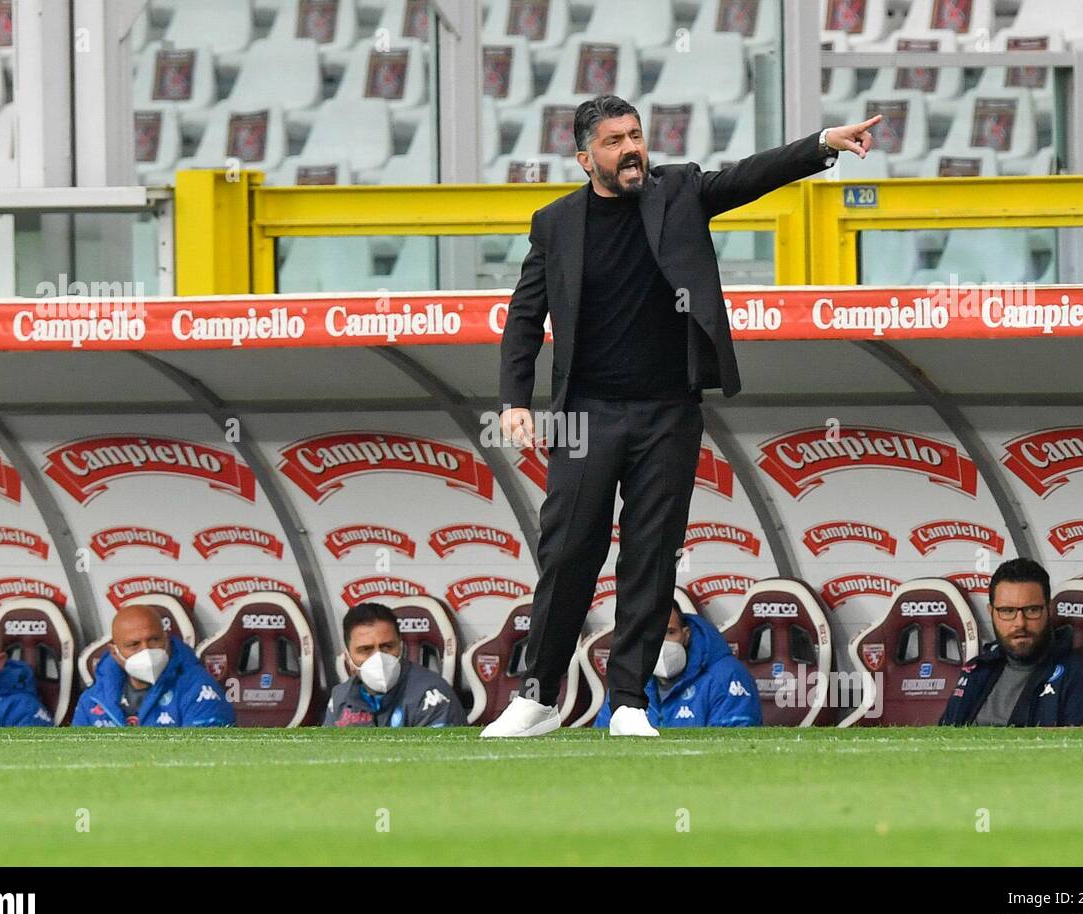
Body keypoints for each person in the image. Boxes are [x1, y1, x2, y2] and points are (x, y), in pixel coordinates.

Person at [487, 93, 881, 737]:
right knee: (567, 554)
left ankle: (631, 703)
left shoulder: (679, 191)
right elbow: (524, 317)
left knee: (651, 556)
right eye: (614, 141)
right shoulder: (554, 223)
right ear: (586, 158)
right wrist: (512, 402)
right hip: (586, 415)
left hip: (669, 411)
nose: (631, 148)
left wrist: (822, 146)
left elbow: (749, 176)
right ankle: (536, 695)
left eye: (636, 135)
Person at [940, 558, 1083, 727]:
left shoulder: (1078, 676)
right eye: (1007, 611)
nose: (1020, 623)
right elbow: (942, 740)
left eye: (1032, 610)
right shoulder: (976, 669)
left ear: (1049, 610)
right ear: (991, 612)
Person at [594, 600, 760, 730]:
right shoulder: (628, 678)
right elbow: (604, 740)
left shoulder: (727, 675)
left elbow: (734, 749)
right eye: (653, 635)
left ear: (686, 635)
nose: (662, 643)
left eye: (670, 632)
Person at [73, 604, 234, 727]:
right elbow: (73, 757)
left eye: (154, 640)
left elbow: (205, 759)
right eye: (134, 644)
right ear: (114, 652)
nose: (146, 650)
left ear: (166, 640)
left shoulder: (199, 689)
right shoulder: (93, 699)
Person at [324, 602, 466, 728]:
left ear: (401, 647)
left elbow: (439, 756)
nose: (378, 658)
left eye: (387, 647)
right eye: (365, 649)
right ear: (348, 657)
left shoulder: (431, 695)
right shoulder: (340, 697)